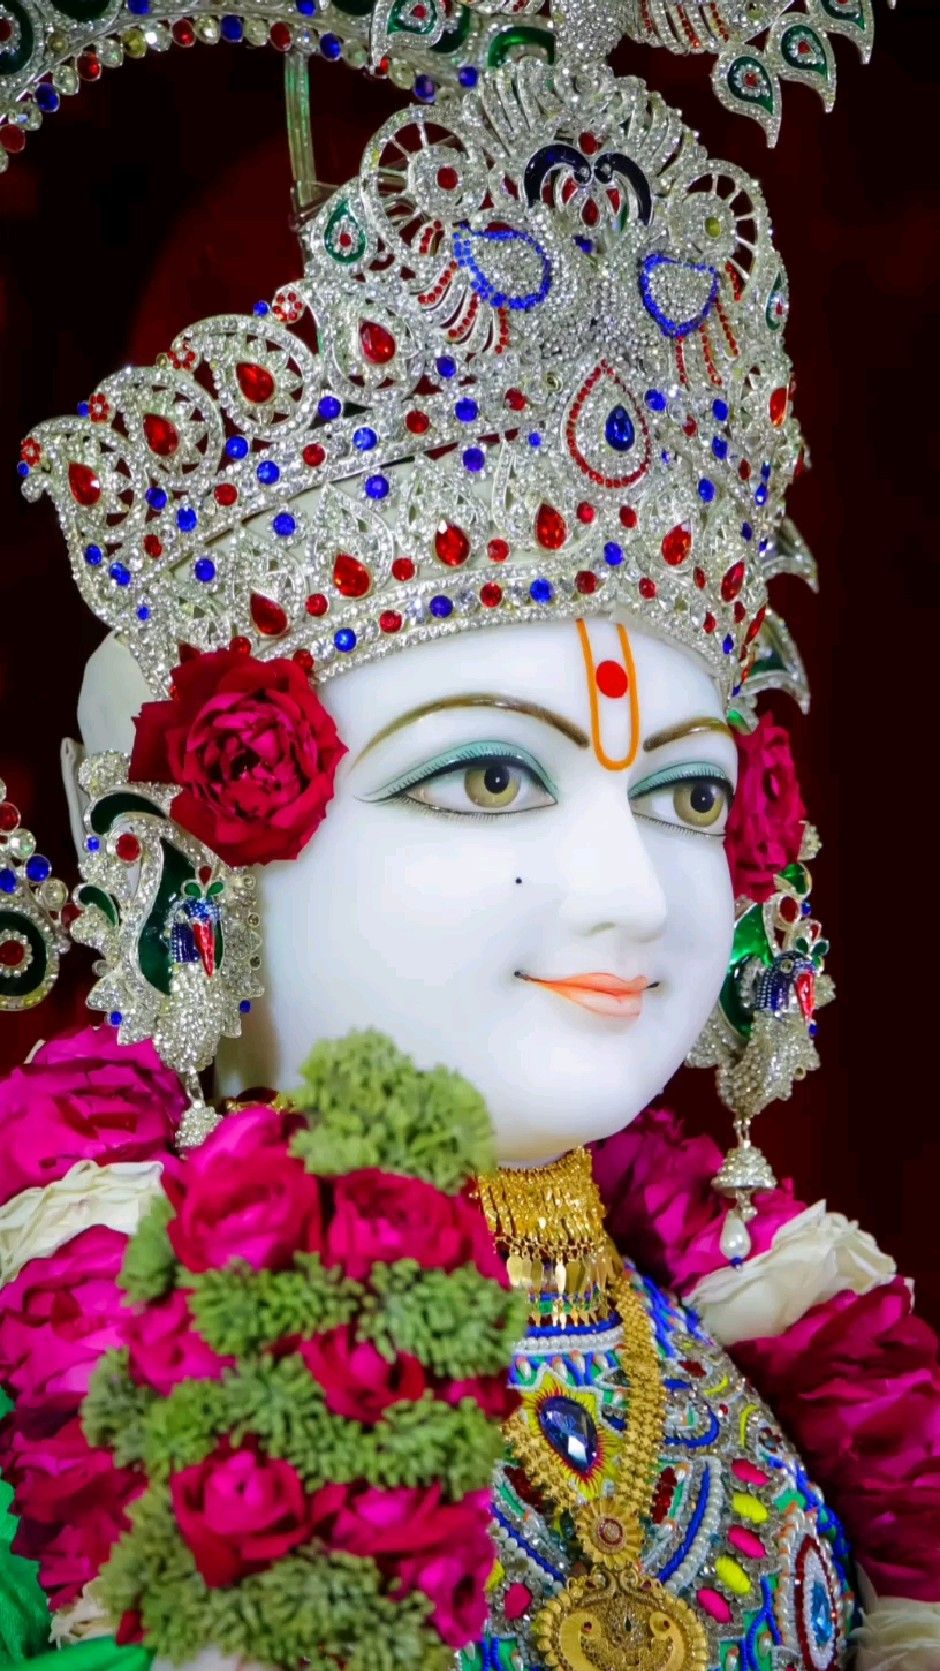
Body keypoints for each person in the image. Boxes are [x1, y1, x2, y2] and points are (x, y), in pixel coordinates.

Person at [1, 48, 937, 1671]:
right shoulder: (81, 1371)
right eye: (492, 775)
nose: (634, 896)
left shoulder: (765, 1342)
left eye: (692, 798)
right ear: (184, 860)